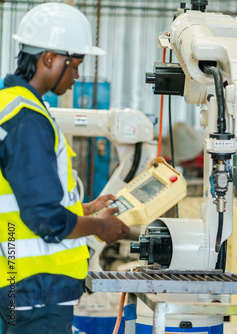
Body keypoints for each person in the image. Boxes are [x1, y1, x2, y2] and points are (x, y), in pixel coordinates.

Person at [0, 3, 130, 333]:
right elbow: (44, 217)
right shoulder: (28, 119)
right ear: (49, 59)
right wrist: (100, 228)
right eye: (74, 66)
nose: (76, 77)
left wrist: (83, 209)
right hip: (38, 287)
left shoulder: (11, 105)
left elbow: (21, 198)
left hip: (21, 282)